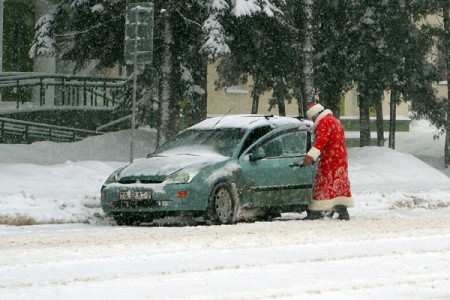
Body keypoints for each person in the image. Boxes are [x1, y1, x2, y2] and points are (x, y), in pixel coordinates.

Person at [302, 102, 354, 220]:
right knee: (338, 184)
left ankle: (315, 211)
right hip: (340, 155)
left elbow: (322, 141)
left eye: (312, 117)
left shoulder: (324, 122)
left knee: (323, 182)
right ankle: (343, 211)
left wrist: (310, 156)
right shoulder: (334, 120)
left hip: (331, 157)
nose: (313, 119)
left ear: (315, 114)